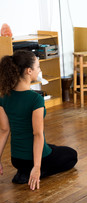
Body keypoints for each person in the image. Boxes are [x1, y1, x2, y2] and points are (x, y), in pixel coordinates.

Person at [0, 50, 77, 190]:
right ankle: (35, 172)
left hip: (16, 159)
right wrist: (37, 167)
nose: (39, 70)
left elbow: (4, 130)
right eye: (38, 67)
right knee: (71, 155)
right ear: (29, 71)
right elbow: (37, 133)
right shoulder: (35, 99)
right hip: (33, 159)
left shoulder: (4, 97)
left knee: (52, 147)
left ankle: (24, 171)